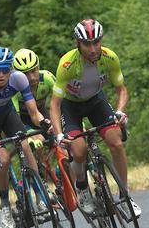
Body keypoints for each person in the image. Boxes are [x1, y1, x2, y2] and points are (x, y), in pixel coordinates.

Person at [49, 18, 141, 217]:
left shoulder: (110, 58)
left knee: (116, 142)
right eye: (87, 44)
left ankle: (124, 196)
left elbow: (122, 90)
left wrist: (119, 111)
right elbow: (55, 105)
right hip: (70, 106)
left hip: (95, 102)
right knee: (79, 150)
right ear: (78, 44)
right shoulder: (67, 64)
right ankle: (82, 186)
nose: (93, 48)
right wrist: (58, 134)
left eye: (96, 42)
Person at [0, 47, 52, 228]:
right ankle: (5, 205)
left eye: (6, 70)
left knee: (26, 145)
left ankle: (40, 197)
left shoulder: (19, 79)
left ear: (11, 69)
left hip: (8, 115)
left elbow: (33, 112)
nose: (1, 75)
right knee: (4, 159)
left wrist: (44, 122)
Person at [11, 48, 58, 152]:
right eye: (25, 74)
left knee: (63, 139)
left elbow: (64, 102)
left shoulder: (47, 78)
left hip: (41, 114)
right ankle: (37, 166)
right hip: (23, 120)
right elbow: (15, 117)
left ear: (39, 67)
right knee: (38, 142)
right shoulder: (15, 87)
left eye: (33, 71)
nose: (31, 78)